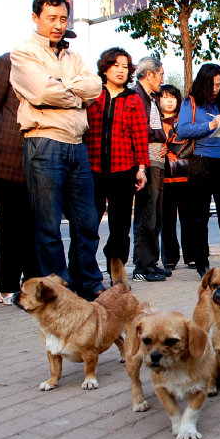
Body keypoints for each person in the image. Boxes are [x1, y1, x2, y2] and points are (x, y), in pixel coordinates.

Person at [10, 0, 105, 300]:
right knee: (48, 226)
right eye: (51, 18)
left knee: (87, 222)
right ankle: (58, 290)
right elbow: (40, 93)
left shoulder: (72, 56)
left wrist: (62, 87)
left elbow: (95, 86)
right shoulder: (23, 53)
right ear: (36, 18)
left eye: (63, 19)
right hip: (43, 143)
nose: (58, 25)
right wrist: (75, 93)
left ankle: (89, 284)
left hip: (77, 144)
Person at [84, 47, 149, 278]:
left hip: (123, 170)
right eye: (116, 66)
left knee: (120, 227)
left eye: (125, 67)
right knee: (88, 224)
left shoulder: (133, 99)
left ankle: (117, 271)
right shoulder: (92, 95)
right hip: (92, 170)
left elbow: (140, 135)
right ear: (105, 68)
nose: (121, 71)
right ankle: (86, 273)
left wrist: (141, 169)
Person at [0, 52, 40, 305]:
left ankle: (34, 284)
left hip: (41, 156)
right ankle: (6, 286)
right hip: (7, 154)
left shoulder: (58, 63)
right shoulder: (10, 60)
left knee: (36, 224)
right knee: (9, 224)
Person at [178, 64, 220, 277]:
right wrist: (210, 125)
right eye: (212, 84)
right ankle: (202, 265)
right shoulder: (191, 102)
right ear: (202, 82)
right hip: (200, 163)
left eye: (219, 84)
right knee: (199, 218)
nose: (215, 88)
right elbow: (183, 129)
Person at [131, 57, 169, 282]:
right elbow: (139, 129)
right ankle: (142, 267)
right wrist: (160, 135)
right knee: (146, 216)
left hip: (157, 162)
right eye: (161, 75)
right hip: (145, 163)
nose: (162, 79)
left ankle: (152, 263)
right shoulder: (137, 96)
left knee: (157, 216)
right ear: (149, 74)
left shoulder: (151, 98)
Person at [159, 84, 195, 270]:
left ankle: (191, 256)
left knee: (188, 219)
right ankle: (170, 258)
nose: (170, 100)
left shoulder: (183, 121)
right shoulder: (154, 121)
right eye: (165, 97)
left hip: (185, 176)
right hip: (163, 178)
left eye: (173, 97)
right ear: (158, 100)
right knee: (167, 221)